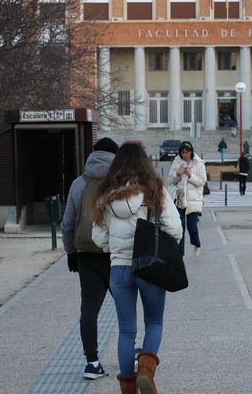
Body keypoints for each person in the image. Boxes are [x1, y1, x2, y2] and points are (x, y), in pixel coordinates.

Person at [91, 143, 183, 394]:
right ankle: (146, 371)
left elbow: (98, 239)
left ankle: (128, 389)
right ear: (144, 163)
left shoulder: (104, 195)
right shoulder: (155, 190)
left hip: (118, 269)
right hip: (149, 266)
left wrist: (117, 246)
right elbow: (175, 230)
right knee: (154, 322)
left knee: (126, 330)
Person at [60, 137, 118, 380]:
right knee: (125, 307)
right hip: (116, 255)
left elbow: (67, 224)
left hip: (86, 254)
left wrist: (71, 253)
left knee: (89, 309)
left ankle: (92, 363)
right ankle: (132, 355)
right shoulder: (120, 182)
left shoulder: (78, 183)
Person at [167, 141, 207, 256]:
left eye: (187, 152)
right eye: (182, 152)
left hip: (193, 201)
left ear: (191, 152)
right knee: (180, 228)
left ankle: (197, 243)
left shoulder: (199, 163)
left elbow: (202, 182)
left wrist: (190, 175)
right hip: (179, 199)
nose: (184, 155)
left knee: (192, 228)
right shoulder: (177, 161)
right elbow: (170, 180)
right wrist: (178, 174)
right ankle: (180, 254)